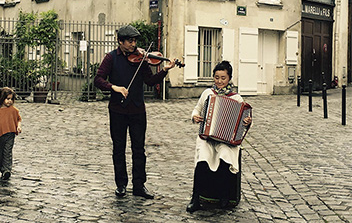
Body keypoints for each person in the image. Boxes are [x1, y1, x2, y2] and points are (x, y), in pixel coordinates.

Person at [94, 25, 177, 199]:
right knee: (119, 148)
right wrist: (114, 87)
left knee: (139, 149)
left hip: (138, 110)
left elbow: (149, 80)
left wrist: (164, 70)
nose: (134, 45)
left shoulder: (141, 59)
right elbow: (98, 79)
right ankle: (121, 185)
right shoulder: (111, 58)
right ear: (120, 42)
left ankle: (139, 185)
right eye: (130, 41)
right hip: (117, 110)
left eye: (135, 41)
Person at [187, 60, 252, 212]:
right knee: (202, 159)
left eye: (223, 78)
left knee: (225, 158)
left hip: (226, 140)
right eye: (217, 77)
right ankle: (195, 198)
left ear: (229, 78)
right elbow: (197, 109)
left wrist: (247, 122)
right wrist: (195, 117)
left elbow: (244, 123)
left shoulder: (237, 99)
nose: (219, 81)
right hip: (208, 137)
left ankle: (224, 196)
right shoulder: (208, 94)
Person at [0, 87, 22, 181]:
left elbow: (18, 119)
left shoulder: (14, 110)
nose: (10, 101)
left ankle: (7, 170)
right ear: (2, 98)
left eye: (11, 99)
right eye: (8, 99)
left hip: (10, 134)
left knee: (7, 152)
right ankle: (2, 169)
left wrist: (18, 126)